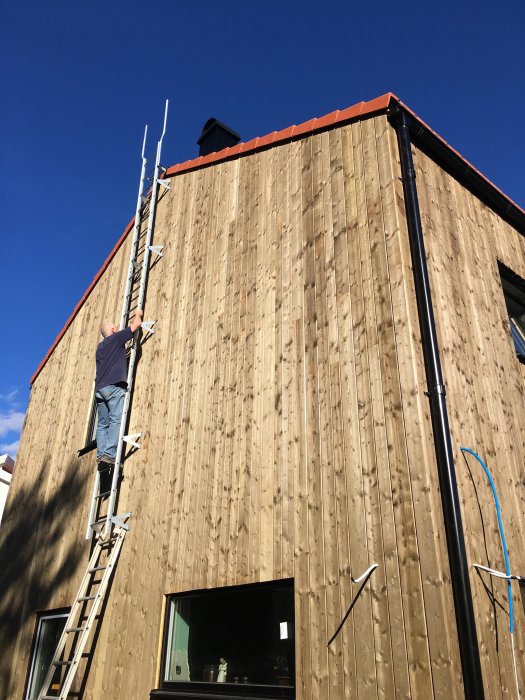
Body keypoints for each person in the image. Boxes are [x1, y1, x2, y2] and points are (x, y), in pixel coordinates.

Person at [95, 309, 143, 465]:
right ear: (114, 330)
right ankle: (109, 455)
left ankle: (101, 455)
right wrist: (138, 313)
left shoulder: (100, 348)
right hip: (114, 386)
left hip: (100, 390)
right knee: (116, 419)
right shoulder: (116, 339)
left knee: (103, 424)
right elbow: (136, 325)